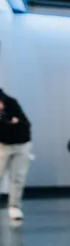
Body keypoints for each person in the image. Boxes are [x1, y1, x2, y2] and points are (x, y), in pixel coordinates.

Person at [0, 88, 31, 222]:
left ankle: (14, 206)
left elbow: (24, 123)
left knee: (18, 176)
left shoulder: (11, 102)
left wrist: (12, 121)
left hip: (21, 143)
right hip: (3, 145)